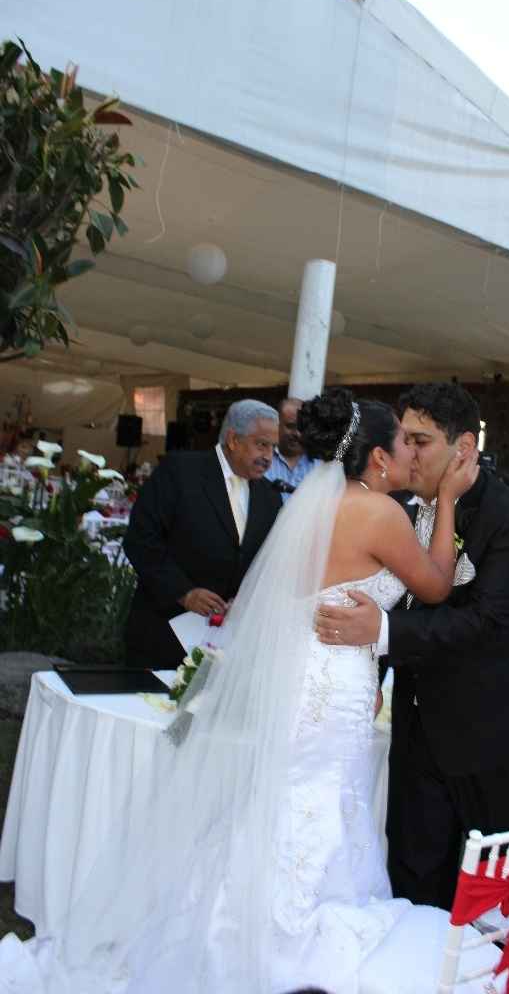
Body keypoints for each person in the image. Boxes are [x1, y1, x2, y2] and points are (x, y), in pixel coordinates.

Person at [0, 389, 479, 994]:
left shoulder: (319, 504)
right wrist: (447, 501)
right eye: (402, 446)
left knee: (290, 799)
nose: (410, 456)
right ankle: (286, 932)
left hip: (315, 675)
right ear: (377, 459)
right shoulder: (378, 514)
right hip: (331, 688)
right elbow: (436, 586)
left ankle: (232, 921)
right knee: (319, 799)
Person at [316, 381, 509, 911]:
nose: (407, 452)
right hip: (419, 726)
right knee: (410, 876)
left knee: (485, 897)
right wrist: (375, 676)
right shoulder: (394, 506)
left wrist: (380, 635)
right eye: (403, 439)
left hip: (495, 733)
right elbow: (393, 596)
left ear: (465, 449)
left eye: (421, 441)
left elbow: (487, 624)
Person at [123, 399, 282, 668]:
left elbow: (265, 563)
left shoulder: (269, 497)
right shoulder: (180, 471)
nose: (268, 456)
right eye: (261, 444)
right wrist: (184, 592)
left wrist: (244, 600)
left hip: (225, 649)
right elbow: (141, 540)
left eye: (273, 447)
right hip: (162, 634)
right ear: (233, 439)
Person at [265, 397, 319, 499]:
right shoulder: (263, 460)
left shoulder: (320, 465)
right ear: (276, 424)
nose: (297, 434)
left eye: (302, 427)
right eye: (290, 426)